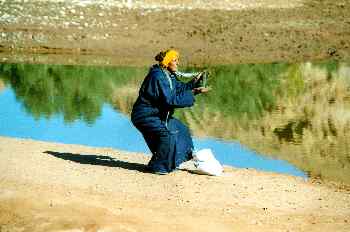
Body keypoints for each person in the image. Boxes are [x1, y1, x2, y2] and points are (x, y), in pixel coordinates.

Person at [131, 49, 210, 174]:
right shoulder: (157, 76)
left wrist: (195, 83)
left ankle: (167, 162)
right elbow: (170, 100)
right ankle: (158, 167)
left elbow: (179, 89)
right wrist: (193, 93)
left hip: (157, 116)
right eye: (174, 60)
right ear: (167, 62)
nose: (177, 63)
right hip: (145, 116)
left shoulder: (167, 75)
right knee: (167, 137)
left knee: (181, 130)